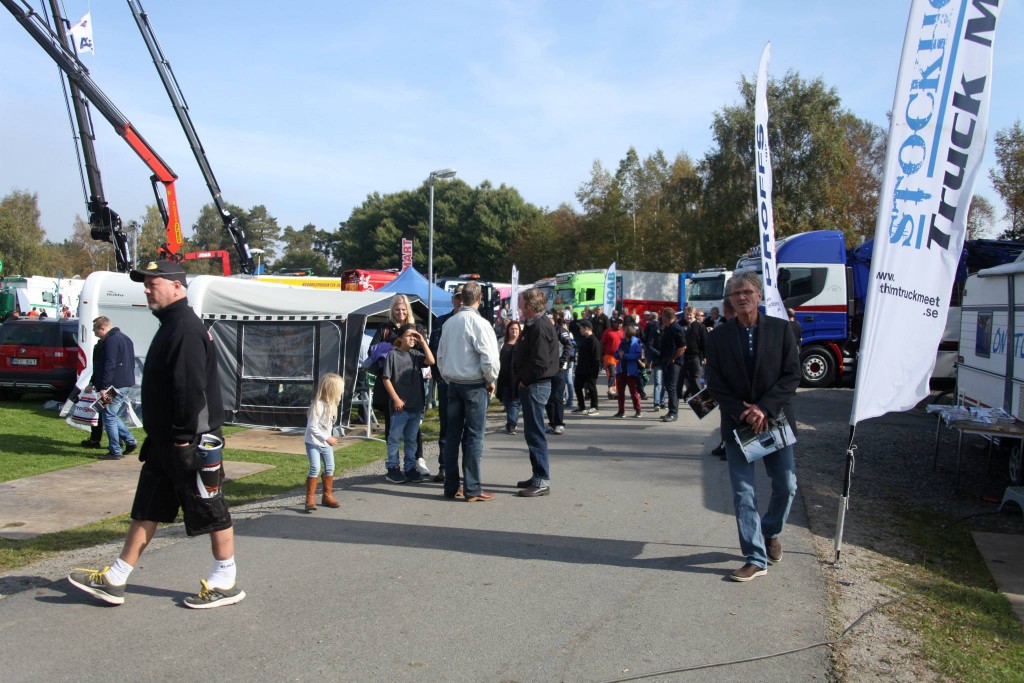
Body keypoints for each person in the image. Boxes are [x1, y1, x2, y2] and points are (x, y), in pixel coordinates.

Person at [69, 260, 244, 608]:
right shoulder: (171, 324)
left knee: (209, 506)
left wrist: (181, 438)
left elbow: (190, 389)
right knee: (147, 507)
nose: (148, 289)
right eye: (145, 284)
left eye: (154, 283)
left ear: (177, 287)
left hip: (190, 441)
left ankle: (225, 580)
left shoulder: (185, 329)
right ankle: (115, 578)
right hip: (166, 441)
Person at [705, 272, 800, 582]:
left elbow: (791, 376)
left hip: (774, 422)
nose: (742, 297)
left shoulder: (781, 330)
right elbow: (715, 384)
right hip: (738, 425)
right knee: (744, 493)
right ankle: (755, 557)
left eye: (747, 291)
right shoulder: (718, 337)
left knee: (786, 486)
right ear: (730, 300)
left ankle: (770, 530)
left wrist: (764, 408)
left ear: (759, 296)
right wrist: (743, 412)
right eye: (736, 293)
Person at [436, 282, 500, 502]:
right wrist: (490, 380)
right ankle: (472, 488)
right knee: (473, 437)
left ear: (461, 298)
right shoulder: (480, 324)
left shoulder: (449, 323)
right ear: (479, 298)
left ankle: (451, 485)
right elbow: (489, 358)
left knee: (452, 436)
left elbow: (441, 356)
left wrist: (447, 377)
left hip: (453, 383)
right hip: (473, 384)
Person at [370, 295, 431, 478]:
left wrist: (417, 340)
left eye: (404, 309)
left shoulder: (416, 328)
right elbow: (372, 350)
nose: (400, 312)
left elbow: (428, 358)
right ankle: (393, 466)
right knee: (393, 429)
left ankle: (415, 462)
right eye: (397, 309)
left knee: (413, 429)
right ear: (392, 310)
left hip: (413, 386)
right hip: (392, 385)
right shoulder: (385, 329)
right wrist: (393, 347)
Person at [513, 287, 560, 497]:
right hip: (534, 384)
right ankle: (537, 475)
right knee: (532, 432)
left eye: (522, 302)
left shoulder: (539, 326)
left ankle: (541, 479)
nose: (520, 306)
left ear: (530, 306)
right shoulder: (535, 324)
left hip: (536, 384)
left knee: (535, 433)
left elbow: (540, 362)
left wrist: (525, 380)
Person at [382, 325, 435, 484]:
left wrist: (423, 341)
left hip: (416, 405)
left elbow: (431, 360)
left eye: (414, 336)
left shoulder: (416, 355)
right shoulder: (392, 355)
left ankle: (410, 467)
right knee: (395, 438)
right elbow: (386, 378)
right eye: (409, 335)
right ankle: (392, 468)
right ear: (399, 338)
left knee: (411, 439)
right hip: (400, 407)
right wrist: (396, 399)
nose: (412, 338)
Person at [87, 316, 139, 460]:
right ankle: (129, 441)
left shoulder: (111, 341)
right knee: (110, 414)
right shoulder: (125, 338)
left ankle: (115, 449)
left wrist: (104, 386)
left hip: (113, 386)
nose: (94, 333)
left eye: (95, 330)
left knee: (108, 415)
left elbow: (109, 364)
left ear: (103, 328)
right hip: (124, 383)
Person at [428, 286, 463, 483]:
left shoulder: (474, 322)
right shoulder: (441, 322)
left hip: (466, 382)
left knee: (465, 429)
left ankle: (465, 469)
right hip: (446, 381)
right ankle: (444, 467)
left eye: (463, 298)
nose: (461, 302)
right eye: (458, 298)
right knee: (446, 426)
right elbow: (433, 351)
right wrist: (438, 377)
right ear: (453, 300)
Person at [303, 373, 344, 512]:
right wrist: (327, 438)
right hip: (313, 443)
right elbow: (312, 427)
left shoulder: (332, 405)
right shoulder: (318, 406)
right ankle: (310, 497)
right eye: (340, 390)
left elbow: (327, 425)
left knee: (330, 467)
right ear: (331, 390)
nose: (342, 393)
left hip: (326, 444)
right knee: (315, 467)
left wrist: (330, 437)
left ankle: (327, 495)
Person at [545, 314, 573, 435]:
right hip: (546, 369)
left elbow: (568, 345)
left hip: (559, 369)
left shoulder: (561, 330)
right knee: (547, 398)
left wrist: (562, 361)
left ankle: (559, 423)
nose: (548, 320)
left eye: (550, 318)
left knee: (557, 396)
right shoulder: (543, 330)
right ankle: (552, 422)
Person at [658, 308, 687, 422]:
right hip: (667, 361)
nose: (661, 318)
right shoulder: (668, 328)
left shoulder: (676, 328)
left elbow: (682, 346)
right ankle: (671, 410)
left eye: (663, 316)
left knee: (671, 387)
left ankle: (673, 412)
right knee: (669, 387)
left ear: (666, 317)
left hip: (674, 363)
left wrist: (673, 359)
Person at [496, 320, 522, 434]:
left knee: (515, 402)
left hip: (517, 378)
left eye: (516, 329)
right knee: (507, 401)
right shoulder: (501, 343)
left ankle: (511, 424)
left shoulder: (522, 344)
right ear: (508, 331)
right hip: (504, 377)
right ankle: (510, 421)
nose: (514, 331)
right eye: (512, 329)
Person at [613, 323, 644, 418]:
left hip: (631, 371)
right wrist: (619, 355)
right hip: (621, 370)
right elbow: (616, 353)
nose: (622, 333)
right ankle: (621, 411)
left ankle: (638, 410)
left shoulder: (635, 343)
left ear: (628, 333)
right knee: (620, 392)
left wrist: (625, 356)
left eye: (624, 332)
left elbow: (638, 355)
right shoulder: (622, 343)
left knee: (633, 392)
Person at [572, 319, 601, 414]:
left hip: (590, 369)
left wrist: (594, 371)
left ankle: (594, 407)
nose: (580, 329)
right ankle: (581, 406)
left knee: (592, 388)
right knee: (577, 386)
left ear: (586, 328)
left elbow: (597, 358)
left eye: (581, 327)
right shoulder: (585, 339)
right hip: (581, 368)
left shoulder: (593, 340)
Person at [682, 306, 708, 401]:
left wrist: (705, 356)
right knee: (687, 380)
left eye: (690, 315)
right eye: (687, 314)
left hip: (696, 357)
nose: (688, 316)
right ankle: (691, 398)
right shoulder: (681, 325)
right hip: (683, 356)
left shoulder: (700, 327)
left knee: (697, 379)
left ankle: (704, 403)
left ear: (694, 315)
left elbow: (705, 342)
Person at [642, 310, 665, 411]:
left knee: (664, 382)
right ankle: (657, 403)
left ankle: (662, 402)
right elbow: (649, 343)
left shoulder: (670, 330)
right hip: (657, 359)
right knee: (658, 381)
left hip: (666, 360)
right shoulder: (653, 327)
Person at [600, 319, 623, 399]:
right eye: (617, 323)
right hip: (609, 356)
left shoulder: (623, 332)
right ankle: (611, 390)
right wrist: (601, 355)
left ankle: (615, 392)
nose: (619, 325)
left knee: (618, 375)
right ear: (614, 323)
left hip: (619, 357)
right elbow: (602, 344)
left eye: (620, 323)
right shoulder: (608, 331)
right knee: (612, 374)